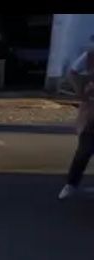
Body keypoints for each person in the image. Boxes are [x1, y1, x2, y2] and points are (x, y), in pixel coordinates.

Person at [58, 49, 94, 200]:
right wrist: (81, 90)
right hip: (91, 113)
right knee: (84, 150)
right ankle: (71, 184)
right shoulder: (90, 55)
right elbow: (73, 72)